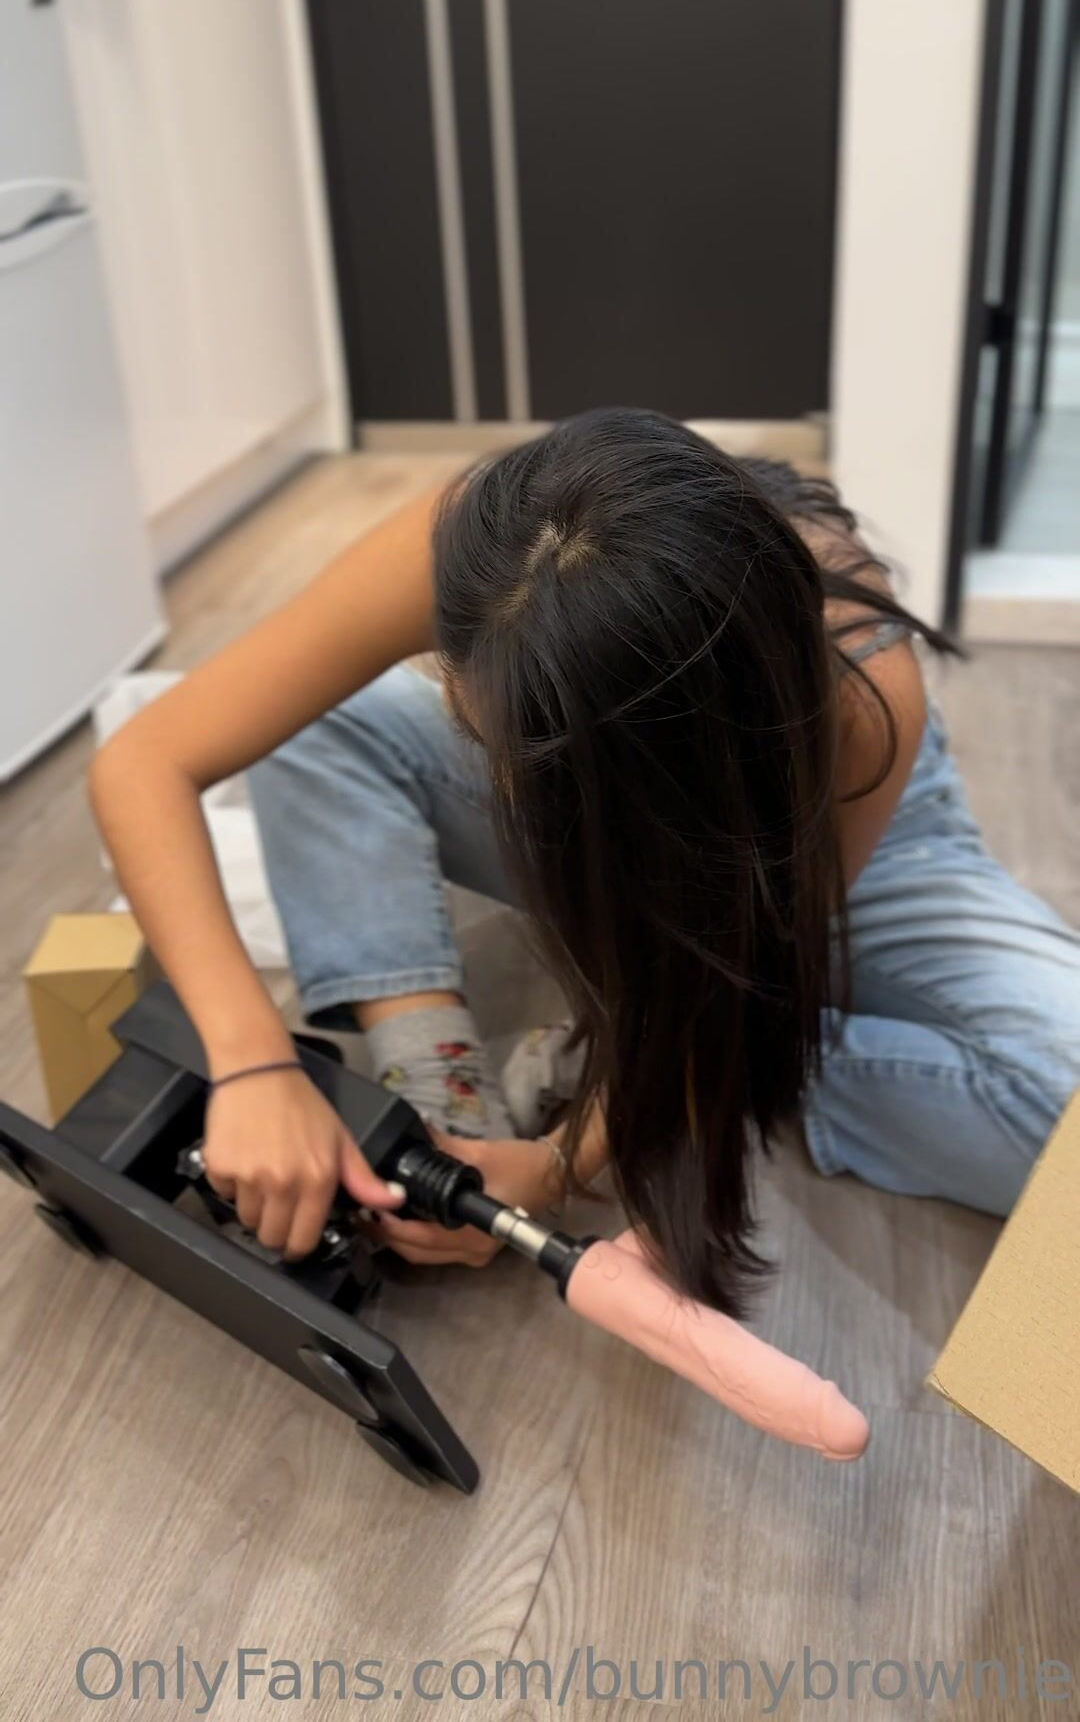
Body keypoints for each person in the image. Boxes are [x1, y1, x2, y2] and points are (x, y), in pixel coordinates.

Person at [90, 411, 1080, 1313]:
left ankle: (636, 1055)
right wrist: (253, 1061)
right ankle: (440, 1078)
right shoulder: (488, 544)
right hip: (653, 800)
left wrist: (570, 1155)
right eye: (493, 732)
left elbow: (746, 969)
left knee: (1063, 1110)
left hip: (840, 843)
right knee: (315, 720)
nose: (509, 784)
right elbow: (147, 762)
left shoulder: (859, 692)